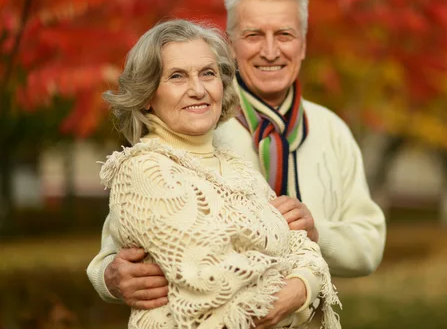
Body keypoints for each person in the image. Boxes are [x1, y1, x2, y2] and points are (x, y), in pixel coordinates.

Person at [88, 0, 386, 317]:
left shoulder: (332, 129)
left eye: (285, 35)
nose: (270, 51)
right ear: (230, 44)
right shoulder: (190, 128)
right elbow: (120, 241)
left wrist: (317, 237)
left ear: (303, 45)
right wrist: (110, 277)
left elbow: (369, 243)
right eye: (254, 35)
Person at [97, 19, 340, 329]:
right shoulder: (143, 169)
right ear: (147, 94)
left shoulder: (238, 168)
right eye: (177, 76)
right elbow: (214, 283)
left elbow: (306, 250)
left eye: (208, 73)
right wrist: (301, 280)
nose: (198, 90)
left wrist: (299, 286)